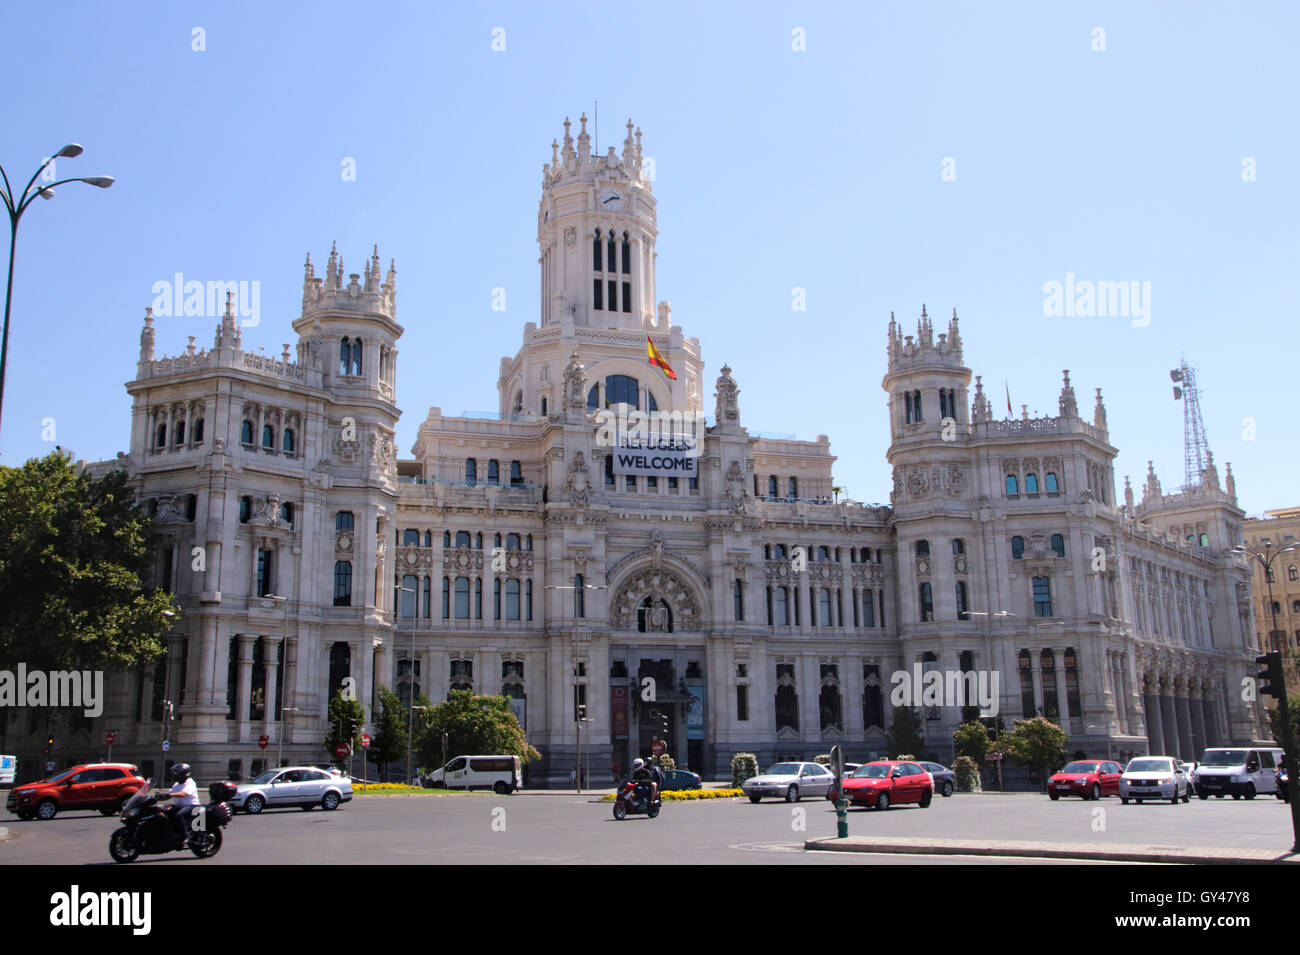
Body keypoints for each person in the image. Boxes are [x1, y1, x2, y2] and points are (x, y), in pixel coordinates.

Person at [156, 762, 200, 845]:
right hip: (179, 806)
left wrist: (169, 794)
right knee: (161, 811)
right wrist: (158, 797)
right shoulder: (176, 784)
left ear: (184, 774)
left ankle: (184, 836)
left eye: (177, 773)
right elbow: (169, 795)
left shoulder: (190, 782)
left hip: (192, 806)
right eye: (174, 772)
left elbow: (183, 794)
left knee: (178, 815)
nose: (174, 774)